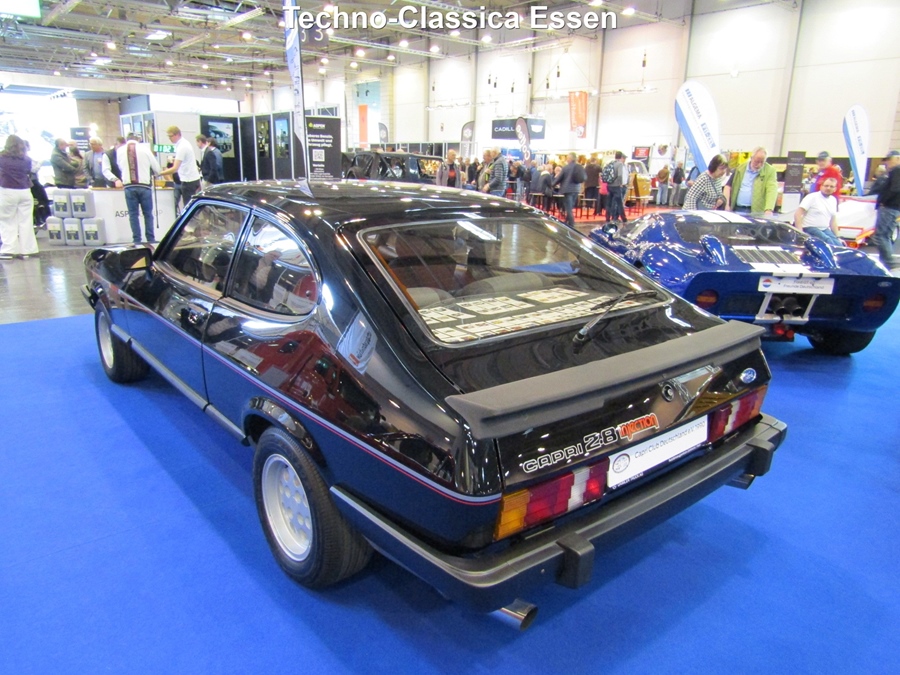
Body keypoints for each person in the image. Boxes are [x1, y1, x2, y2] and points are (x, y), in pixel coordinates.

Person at [104, 133, 162, 244]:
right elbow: (157, 169)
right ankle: (150, 239)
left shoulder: (120, 150)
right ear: (138, 140)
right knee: (148, 214)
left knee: (133, 214)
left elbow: (120, 166)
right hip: (144, 186)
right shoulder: (145, 149)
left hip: (129, 186)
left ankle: (136, 240)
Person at [0, 134, 40, 259]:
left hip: (8, 191)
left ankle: (9, 250)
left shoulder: (2, 158)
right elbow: (30, 172)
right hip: (25, 191)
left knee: (8, 221)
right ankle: (28, 250)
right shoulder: (26, 159)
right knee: (26, 221)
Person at [724, 147, 778, 215]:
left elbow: (772, 190)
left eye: (762, 162)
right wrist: (727, 205)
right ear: (751, 158)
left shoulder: (770, 171)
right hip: (737, 209)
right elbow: (728, 186)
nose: (759, 165)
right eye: (756, 161)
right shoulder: (740, 168)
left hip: (757, 212)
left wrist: (769, 209)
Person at [871, 150, 900, 269]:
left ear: (897, 159)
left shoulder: (897, 170)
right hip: (894, 207)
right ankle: (887, 261)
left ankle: (888, 261)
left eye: (889, 160)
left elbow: (895, 189)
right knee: (886, 235)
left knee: (881, 235)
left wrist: (884, 201)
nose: (887, 162)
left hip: (889, 207)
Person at [793, 176, 842, 246]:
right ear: (821, 187)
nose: (828, 188)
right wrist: (800, 232)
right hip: (809, 227)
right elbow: (797, 214)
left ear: (835, 189)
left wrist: (838, 237)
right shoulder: (812, 197)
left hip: (824, 229)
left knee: (839, 245)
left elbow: (833, 221)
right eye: (826, 186)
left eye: (831, 186)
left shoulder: (833, 200)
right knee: (828, 241)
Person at [159, 126, 201, 202]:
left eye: (171, 136)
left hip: (189, 181)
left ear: (177, 134)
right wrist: (174, 159)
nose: (169, 138)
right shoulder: (183, 143)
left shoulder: (182, 146)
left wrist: (160, 173)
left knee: (188, 205)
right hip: (191, 180)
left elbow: (175, 168)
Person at [553, 152, 586, 229]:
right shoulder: (579, 167)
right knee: (570, 206)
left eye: (567, 158)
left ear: (570, 159)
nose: (566, 159)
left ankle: (571, 224)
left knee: (568, 208)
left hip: (567, 189)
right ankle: (567, 221)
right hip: (576, 189)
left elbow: (559, 178)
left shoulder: (566, 167)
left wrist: (552, 185)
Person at [606, 151, 628, 223]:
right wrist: (620, 183)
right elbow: (620, 175)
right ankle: (623, 218)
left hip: (609, 185)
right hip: (616, 186)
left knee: (609, 203)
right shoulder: (620, 164)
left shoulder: (610, 163)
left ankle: (607, 218)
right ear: (621, 157)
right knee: (619, 203)